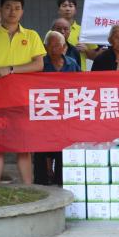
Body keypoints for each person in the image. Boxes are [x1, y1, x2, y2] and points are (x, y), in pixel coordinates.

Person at [0, 0, 47, 184]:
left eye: (17, 8)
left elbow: (39, 65)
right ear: (1, 9)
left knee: (24, 149)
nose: (12, 11)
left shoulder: (32, 36)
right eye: (8, 7)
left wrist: (11, 69)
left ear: (22, 11)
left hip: (23, 102)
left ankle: (29, 189)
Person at [34, 31, 80, 186]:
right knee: (42, 145)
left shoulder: (72, 63)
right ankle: (42, 178)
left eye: (58, 45)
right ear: (45, 47)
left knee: (64, 145)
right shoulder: (40, 64)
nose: (54, 49)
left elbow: (81, 84)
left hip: (66, 112)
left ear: (64, 47)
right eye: (51, 45)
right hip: (45, 111)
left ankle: (61, 178)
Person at [56, 0, 99, 70]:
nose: (67, 9)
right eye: (64, 6)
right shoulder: (52, 32)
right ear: (59, 10)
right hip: (58, 73)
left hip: (80, 74)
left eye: (70, 6)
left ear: (75, 10)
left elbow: (95, 57)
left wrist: (86, 50)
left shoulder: (84, 31)